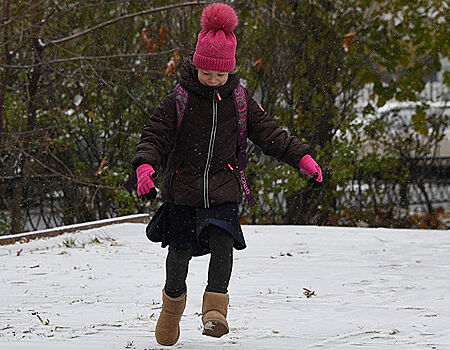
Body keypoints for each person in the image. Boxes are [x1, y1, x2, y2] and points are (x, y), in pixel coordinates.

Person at [130, 3, 322, 346]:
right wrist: (146, 167)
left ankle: (215, 311)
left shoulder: (239, 99)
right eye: (207, 72)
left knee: (223, 244)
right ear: (196, 65)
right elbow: (154, 136)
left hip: (223, 188)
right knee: (178, 254)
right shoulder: (179, 98)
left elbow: (271, 135)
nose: (213, 79)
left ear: (230, 71)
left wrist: (302, 158)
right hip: (183, 190)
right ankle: (171, 311)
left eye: (220, 74)